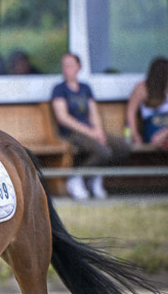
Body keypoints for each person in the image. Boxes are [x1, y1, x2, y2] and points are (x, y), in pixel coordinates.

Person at [51, 52, 129, 200]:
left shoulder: (85, 88)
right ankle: (77, 179)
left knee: (122, 147)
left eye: (70, 65)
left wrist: (98, 132)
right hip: (72, 133)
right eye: (64, 65)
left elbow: (94, 113)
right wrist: (90, 132)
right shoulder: (59, 89)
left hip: (90, 131)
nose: (66, 69)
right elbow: (63, 118)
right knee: (103, 152)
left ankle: (94, 176)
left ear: (78, 67)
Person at [126, 57, 168, 150]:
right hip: (152, 126)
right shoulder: (142, 88)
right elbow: (130, 112)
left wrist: (165, 133)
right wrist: (135, 135)